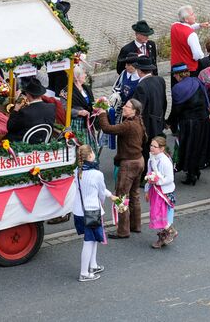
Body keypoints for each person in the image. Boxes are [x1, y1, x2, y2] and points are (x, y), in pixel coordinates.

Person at [97, 99, 146, 239]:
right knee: (135, 194)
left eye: (127, 106)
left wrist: (102, 113)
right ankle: (136, 225)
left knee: (121, 197)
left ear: (134, 111)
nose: (124, 107)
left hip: (129, 164)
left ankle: (123, 231)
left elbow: (107, 129)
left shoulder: (128, 125)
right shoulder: (138, 121)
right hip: (139, 161)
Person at [73, 144, 112, 282]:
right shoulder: (97, 174)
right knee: (89, 241)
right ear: (90, 156)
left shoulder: (76, 171)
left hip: (79, 211)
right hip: (92, 211)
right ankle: (84, 272)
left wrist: (109, 195)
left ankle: (93, 265)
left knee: (93, 238)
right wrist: (104, 200)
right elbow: (101, 193)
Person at [167, 63, 210, 185]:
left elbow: (177, 109)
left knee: (189, 148)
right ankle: (196, 170)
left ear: (177, 75)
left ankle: (191, 175)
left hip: (189, 123)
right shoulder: (197, 81)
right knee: (199, 146)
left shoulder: (178, 88)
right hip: (203, 120)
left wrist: (169, 122)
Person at [131, 55, 167, 169]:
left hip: (147, 125)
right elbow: (164, 101)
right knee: (157, 149)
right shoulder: (160, 80)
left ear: (139, 70)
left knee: (147, 151)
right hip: (159, 120)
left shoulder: (141, 86)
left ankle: (147, 174)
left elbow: (138, 109)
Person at [144, 136, 177, 248]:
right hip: (155, 190)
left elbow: (170, 179)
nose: (152, 148)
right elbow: (149, 174)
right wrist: (147, 190)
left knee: (159, 214)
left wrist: (157, 181)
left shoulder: (165, 161)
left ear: (162, 149)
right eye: (151, 145)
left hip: (164, 192)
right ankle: (163, 237)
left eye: (155, 146)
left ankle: (170, 231)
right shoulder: (151, 158)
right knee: (156, 213)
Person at [170, 5, 206, 79]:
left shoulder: (174, 26)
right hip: (189, 70)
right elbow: (198, 55)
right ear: (186, 19)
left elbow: (185, 26)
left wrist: (199, 25)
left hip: (175, 69)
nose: (195, 16)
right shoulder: (192, 35)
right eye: (192, 14)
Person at [64, 66, 96, 146]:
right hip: (77, 123)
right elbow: (64, 108)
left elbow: (90, 103)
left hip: (88, 122)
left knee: (90, 145)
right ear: (77, 77)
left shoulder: (86, 88)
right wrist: (78, 112)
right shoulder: (66, 91)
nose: (85, 75)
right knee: (81, 146)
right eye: (83, 74)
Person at [112, 53, 142, 121]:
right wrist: (116, 95)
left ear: (135, 66)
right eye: (125, 64)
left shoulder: (140, 77)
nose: (125, 67)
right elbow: (117, 87)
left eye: (128, 65)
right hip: (122, 108)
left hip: (133, 110)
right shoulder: (124, 73)